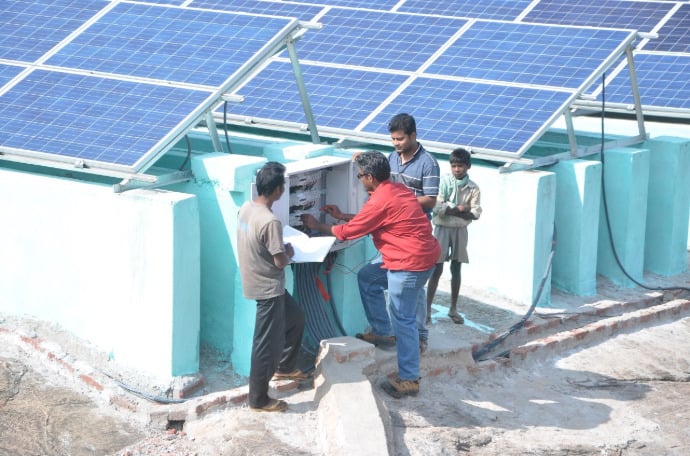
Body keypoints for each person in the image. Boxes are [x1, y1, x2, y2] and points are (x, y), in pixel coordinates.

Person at [301, 151, 440, 398]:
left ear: (369, 177)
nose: (359, 180)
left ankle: (409, 379)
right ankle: (382, 331)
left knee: (403, 319)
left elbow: (348, 232)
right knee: (368, 277)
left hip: (408, 264)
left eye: (360, 176)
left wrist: (317, 226)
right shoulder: (395, 190)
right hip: (424, 258)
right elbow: (372, 220)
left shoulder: (381, 199)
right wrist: (342, 215)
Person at [356, 113, 440, 353]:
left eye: (400, 139)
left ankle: (419, 336)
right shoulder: (391, 158)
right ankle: (385, 332)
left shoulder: (428, 163)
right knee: (374, 279)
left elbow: (431, 200)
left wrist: (401, 203)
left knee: (413, 290)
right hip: (392, 235)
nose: (396, 144)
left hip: (414, 234)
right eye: (393, 139)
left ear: (413, 135)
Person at [237, 161, 309, 413]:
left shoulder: (246, 209)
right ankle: (258, 398)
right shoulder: (270, 221)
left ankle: (286, 367)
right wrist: (289, 251)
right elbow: (280, 261)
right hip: (268, 287)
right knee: (265, 345)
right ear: (278, 190)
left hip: (257, 279)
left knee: (296, 317)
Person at [426, 148, 482, 325]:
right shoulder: (443, 183)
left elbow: (475, 213)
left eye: (460, 166)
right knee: (436, 268)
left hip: (460, 231)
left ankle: (453, 308)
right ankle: (427, 309)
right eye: (454, 166)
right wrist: (460, 209)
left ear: (468, 167)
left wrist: (456, 211)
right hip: (442, 229)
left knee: (456, 269)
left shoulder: (473, 188)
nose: (457, 169)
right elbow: (438, 208)